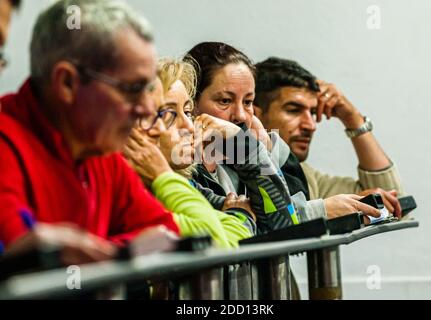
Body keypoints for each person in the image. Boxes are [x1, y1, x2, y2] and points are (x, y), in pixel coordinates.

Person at [0, 0, 180, 265]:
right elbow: (22, 260)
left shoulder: (98, 149)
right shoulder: (7, 143)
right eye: (131, 89)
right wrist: (121, 255)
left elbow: (163, 232)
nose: (146, 109)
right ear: (67, 83)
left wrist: (108, 255)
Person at [184, 42, 382, 229]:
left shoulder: (245, 155)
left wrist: (266, 147)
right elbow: (274, 226)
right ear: (191, 103)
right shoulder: (180, 164)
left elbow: (286, 209)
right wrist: (319, 211)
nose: (241, 116)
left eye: (248, 102)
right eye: (225, 100)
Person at [254, 57, 404, 220]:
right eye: (294, 110)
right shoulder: (237, 173)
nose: (311, 125)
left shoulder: (305, 175)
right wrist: (321, 211)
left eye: (312, 112)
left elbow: (395, 204)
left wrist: (352, 118)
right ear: (255, 114)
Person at [123, 59, 252, 248]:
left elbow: (282, 219)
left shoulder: (187, 183)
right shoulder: (129, 192)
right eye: (167, 114)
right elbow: (213, 244)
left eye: (188, 112)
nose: (189, 126)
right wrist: (241, 216)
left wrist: (242, 141)